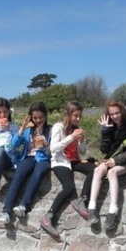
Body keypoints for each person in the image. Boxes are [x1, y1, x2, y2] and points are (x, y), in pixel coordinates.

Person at [40, 101, 95, 239]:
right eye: (75, 116)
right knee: (69, 187)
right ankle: (48, 216)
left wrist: (81, 140)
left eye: (80, 116)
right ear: (68, 114)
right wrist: (71, 137)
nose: (78, 119)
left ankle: (82, 200)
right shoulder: (59, 127)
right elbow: (53, 148)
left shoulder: (76, 128)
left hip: (74, 161)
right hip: (60, 161)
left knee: (94, 169)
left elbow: (82, 151)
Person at [0, 101, 51, 225]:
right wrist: (22, 128)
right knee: (18, 176)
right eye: (35, 117)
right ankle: (6, 211)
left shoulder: (50, 130)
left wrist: (46, 143)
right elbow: (14, 145)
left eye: (40, 117)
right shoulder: (28, 130)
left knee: (37, 174)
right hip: (28, 157)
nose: (37, 120)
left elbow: (52, 153)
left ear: (45, 116)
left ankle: (23, 206)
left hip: (43, 159)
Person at [85, 100, 126, 231]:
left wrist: (116, 161)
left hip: (125, 161)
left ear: (122, 112)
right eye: (112, 114)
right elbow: (104, 151)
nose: (115, 116)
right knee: (98, 170)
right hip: (110, 160)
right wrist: (105, 132)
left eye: (117, 113)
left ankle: (113, 211)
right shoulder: (110, 127)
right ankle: (91, 208)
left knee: (112, 173)